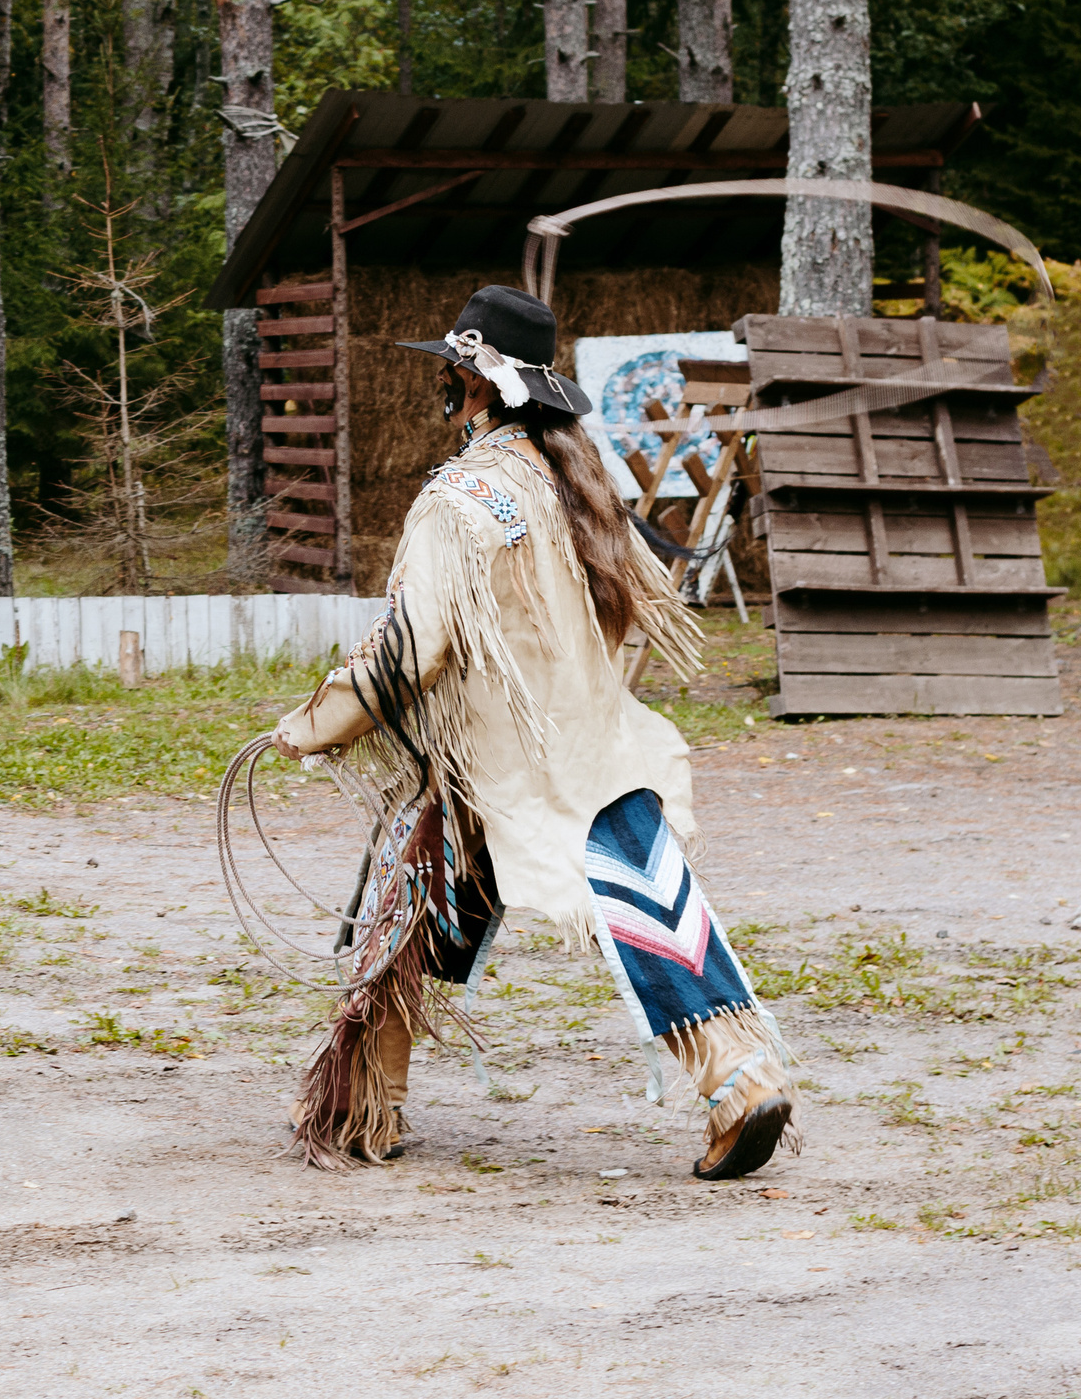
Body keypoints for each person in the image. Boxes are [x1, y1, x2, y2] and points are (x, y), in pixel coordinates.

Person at [272, 285, 799, 1181]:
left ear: (480, 384)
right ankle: (742, 1075)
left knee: (404, 903)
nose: (443, 383)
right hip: (587, 739)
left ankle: (366, 1103)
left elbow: (414, 644)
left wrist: (318, 722)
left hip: (487, 756)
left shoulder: (459, 498)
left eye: (453, 369)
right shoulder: (574, 485)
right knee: (644, 901)